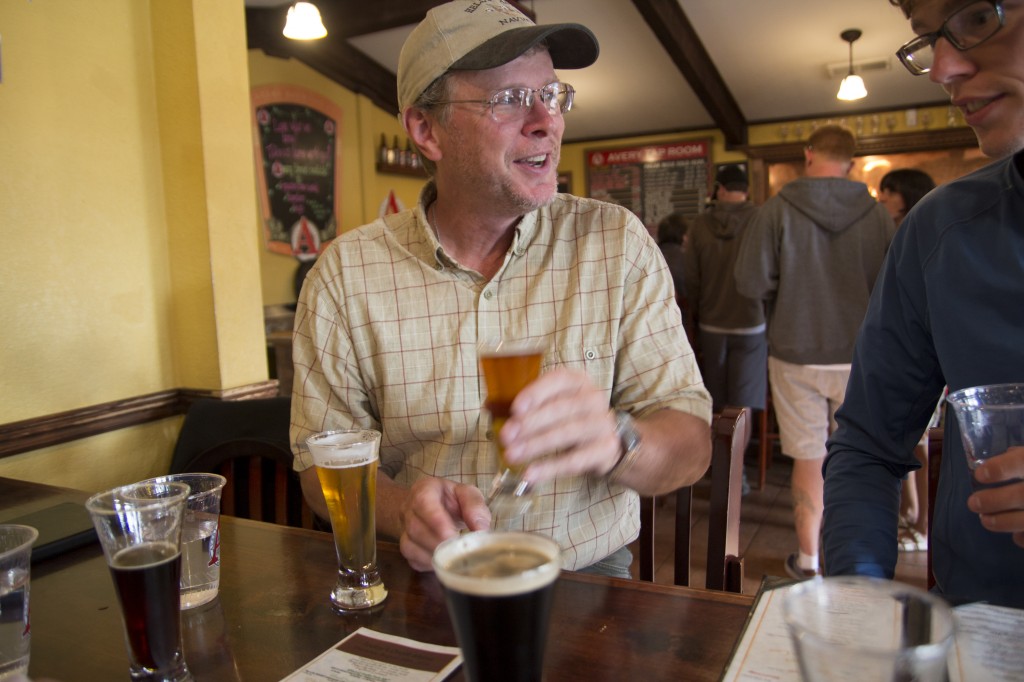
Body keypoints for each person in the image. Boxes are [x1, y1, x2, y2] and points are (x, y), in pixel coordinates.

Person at [288, 0, 712, 578]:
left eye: (553, 94)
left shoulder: (614, 242)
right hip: (424, 580)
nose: (547, 120)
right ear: (425, 130)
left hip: (584, 579)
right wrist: (401, 510)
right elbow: (319, 468)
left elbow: (691, 443)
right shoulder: (345, 275)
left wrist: (620, 443)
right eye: (510, 99)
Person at [823, 0, 1024, 608]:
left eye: (975, 18)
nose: (942, 67)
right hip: (983, 624)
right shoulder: (944, 229)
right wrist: (858, 605)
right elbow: (867, 445)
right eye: (929, 38)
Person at [734, 124, 895, 580]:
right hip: (861, 355)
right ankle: (859, 564)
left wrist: (787, 288)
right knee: (861, 459)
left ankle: (808, 559)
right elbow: (894, 286)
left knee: (809, 457)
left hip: (795, 351)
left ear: (808, 155)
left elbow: (750, 282)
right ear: (853, 162)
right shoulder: (878, 214)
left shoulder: (776, 210)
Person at [683, 164, 765, 495]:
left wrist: (701, 313)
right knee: (742, 404)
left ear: (718, 189)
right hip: (752, 323)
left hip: (711, 324)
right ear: (745, 188)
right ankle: (737, 475)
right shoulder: (761, 219)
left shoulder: (700, 224)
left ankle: (716, 468)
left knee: (715, 403)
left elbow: (692, 279)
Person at [878, 168, 940, 554]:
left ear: (905, 194)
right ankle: (911, 513)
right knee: (909, 439)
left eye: (888, 192)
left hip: (927, 352)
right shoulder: (898, 229)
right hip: (904, 349)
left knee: (925, 444)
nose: (882, 199)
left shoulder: (923, 228)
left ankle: (923, 524)